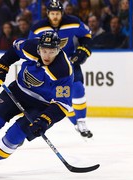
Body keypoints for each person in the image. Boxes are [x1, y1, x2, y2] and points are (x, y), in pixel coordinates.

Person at [0, 31, 74, 176]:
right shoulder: (30, 46)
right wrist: (2, 65)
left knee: (15, 135)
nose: (46, 56)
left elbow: (62, 104)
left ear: (58, 50)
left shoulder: (63, 71)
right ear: (38, 48)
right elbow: (14, 50)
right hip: (18, 91)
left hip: (42, 105)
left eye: (51, 52)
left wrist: (45, 121)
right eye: (44, 51)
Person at [28, 0, 93, 138]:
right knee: (62, 95)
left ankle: (81, 121)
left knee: (78, 89)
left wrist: (83, 49)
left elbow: (86, 35)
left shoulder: (73, 22)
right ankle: (76, 123)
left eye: (57, 13)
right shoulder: (38, 28)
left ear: (62, 13)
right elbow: (31, 45)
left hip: (69, 63)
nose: (55, 16)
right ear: (47, 14)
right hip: (49, 67)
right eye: (52, 13)